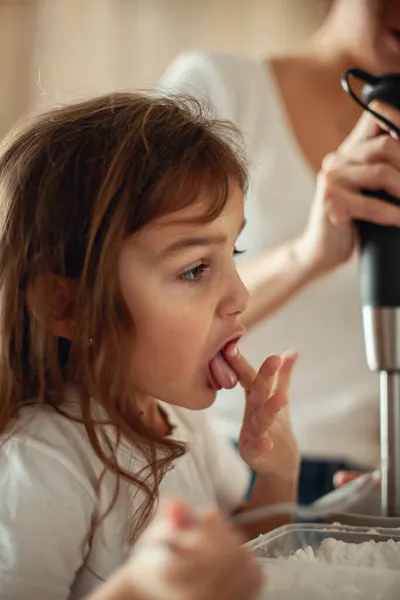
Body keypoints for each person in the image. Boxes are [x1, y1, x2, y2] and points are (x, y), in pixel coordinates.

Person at [0, 91, 299, 600]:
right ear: (66, 306)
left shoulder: (179, 419)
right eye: (195, 269)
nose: (240, 296)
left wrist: (278, 473)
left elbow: (236, 566)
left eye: (234, 252)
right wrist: (134, 593)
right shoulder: (43, 466)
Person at [159, 0, 400, 504]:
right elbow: (148, 303)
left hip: (372, 484)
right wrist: (309, 254)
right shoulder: (221, 89)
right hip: (232, 468)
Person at [87, 498, 262, 600]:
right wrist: (135, 588)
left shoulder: (195, 438)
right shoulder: (64, 479)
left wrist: (279, 476)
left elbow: (257, 534)